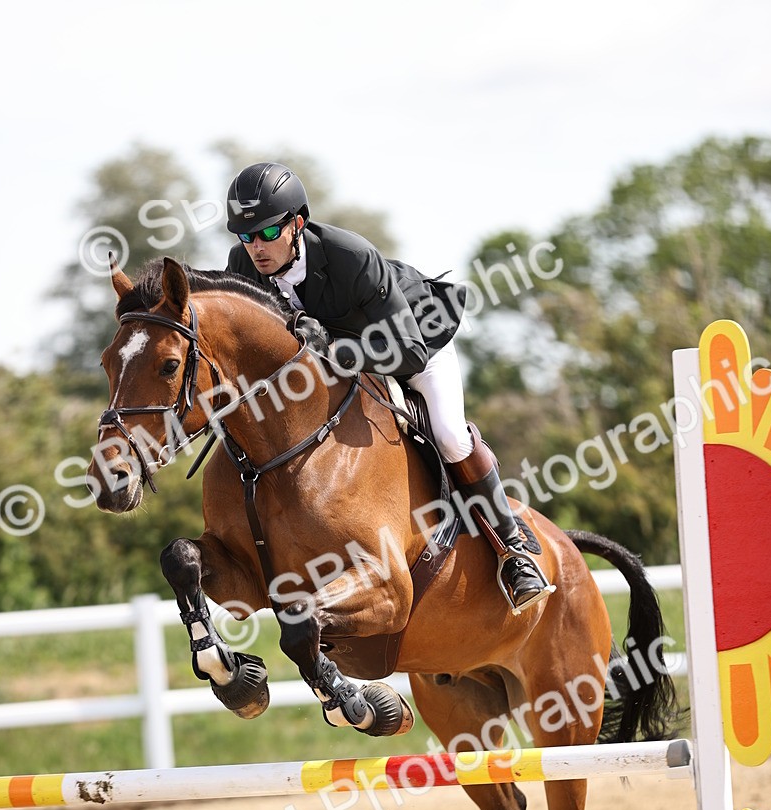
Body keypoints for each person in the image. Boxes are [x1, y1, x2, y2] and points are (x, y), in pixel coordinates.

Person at [225, 161, 551, 612]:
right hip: (344, 361)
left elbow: (409, 352)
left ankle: (514, 551)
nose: (255, 248)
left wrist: (333, 347)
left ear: (297, 224)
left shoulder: (349, 256)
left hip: (414, 340)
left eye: (266, 233)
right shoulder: (243, 265)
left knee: (451, 434)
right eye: (245, 236)